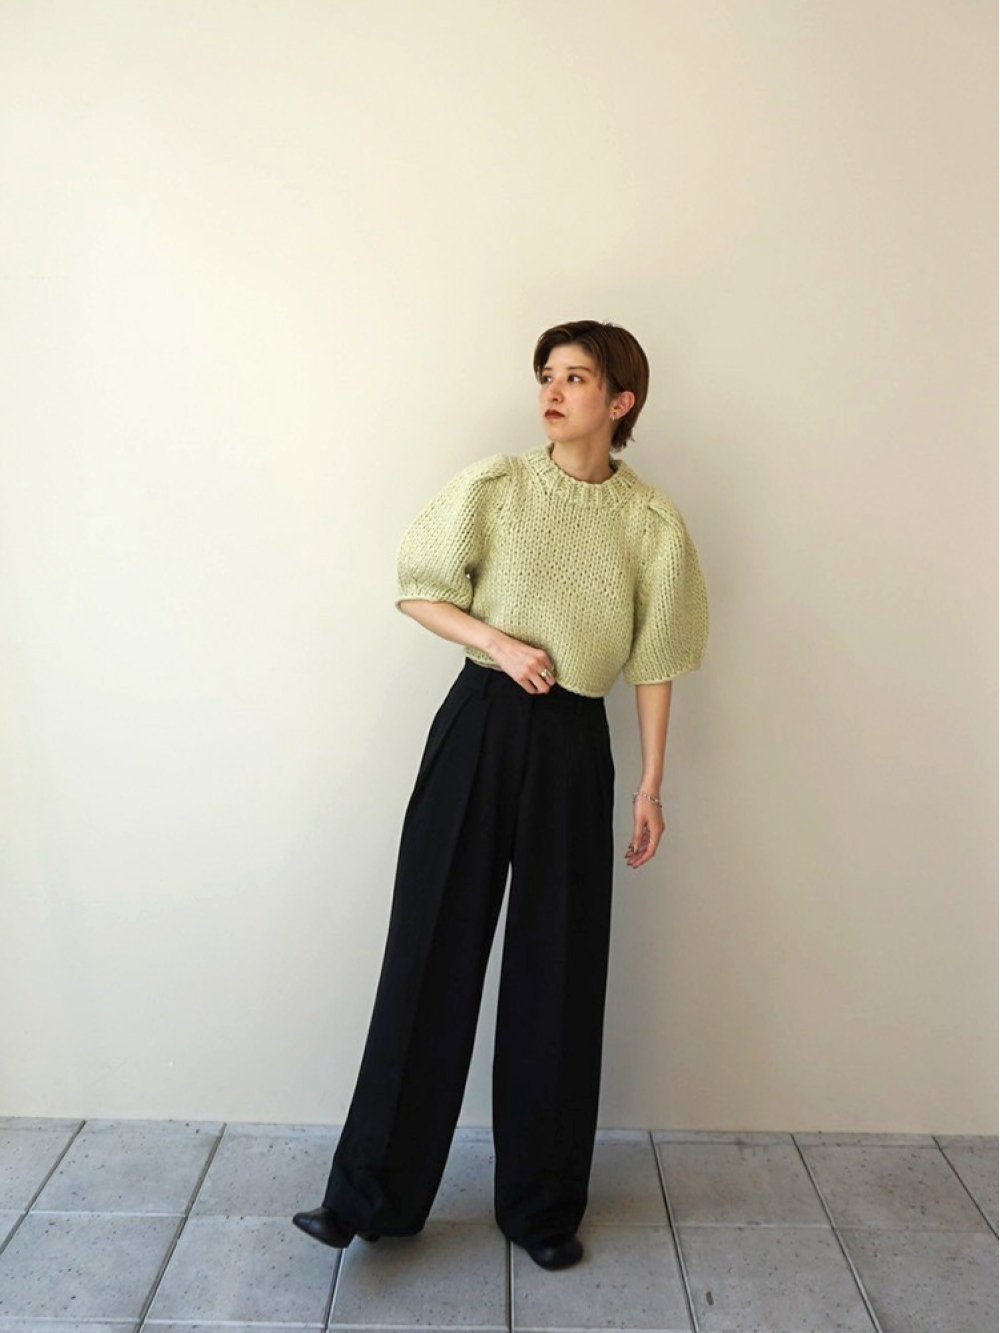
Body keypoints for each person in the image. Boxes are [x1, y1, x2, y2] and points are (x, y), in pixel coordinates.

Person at [293, 319, 709, 1271]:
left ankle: (542, 1210)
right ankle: (366, 1197)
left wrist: (651, 784)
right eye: (547, 375)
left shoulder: (651, 524)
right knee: (429, 949)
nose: (553, 391)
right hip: (481, 721)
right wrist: (497, 643)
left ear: (622, 401)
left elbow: (658, 658)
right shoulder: (497, 487)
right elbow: (419, 586)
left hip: (575, 742)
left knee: (558, 971)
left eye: (576, 377)